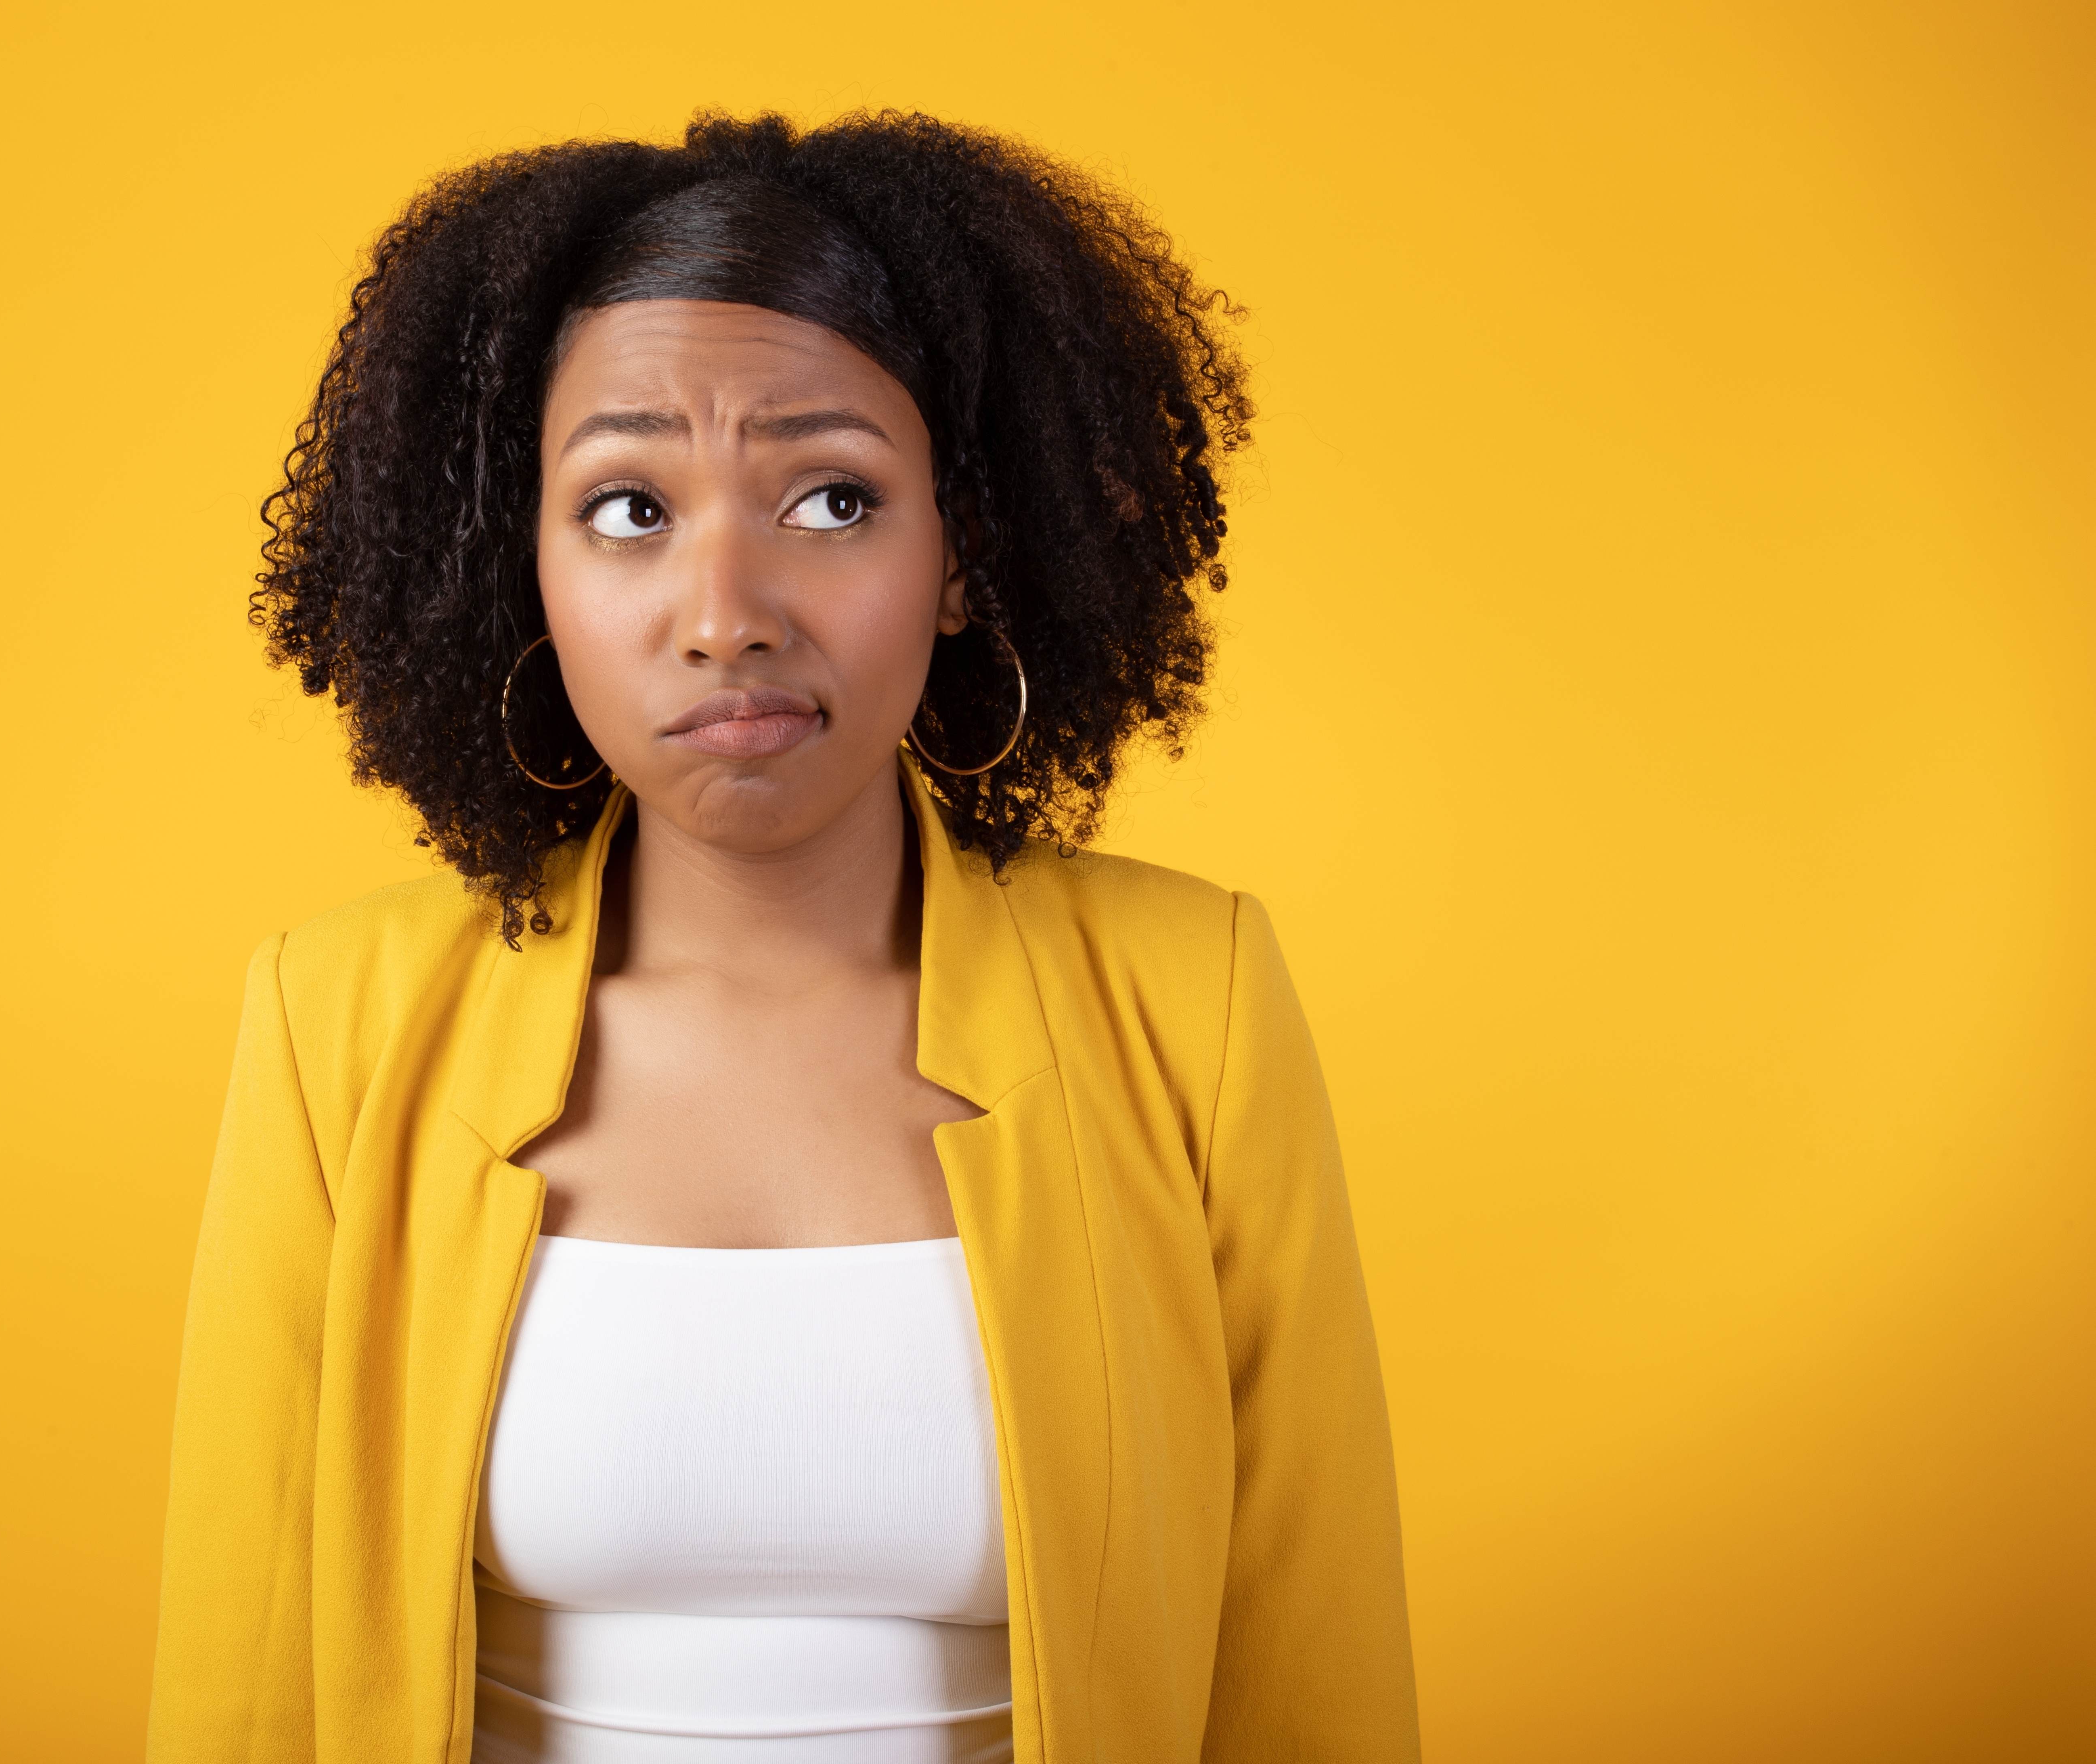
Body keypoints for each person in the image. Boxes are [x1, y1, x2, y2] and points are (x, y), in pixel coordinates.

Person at [147, 110, 1417, 1764]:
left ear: (962, 550)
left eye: (830, 498)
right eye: (625, 509)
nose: (726, 607)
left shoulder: (1196, 1003)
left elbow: (1307, 1673)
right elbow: (242, 1687)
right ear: (516, 562)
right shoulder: (338, 1020)